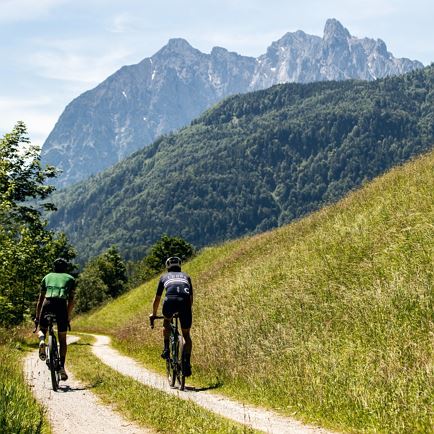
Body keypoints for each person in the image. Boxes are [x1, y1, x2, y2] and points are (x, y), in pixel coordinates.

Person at [150, 256, 193, 376]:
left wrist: (153, 314)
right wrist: (185, 311)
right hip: (184, 304)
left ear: (167, 267)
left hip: (169, 302)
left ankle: (166, 348)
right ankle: (186, 362)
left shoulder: (164, 277)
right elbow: (190, 299)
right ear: (179, 266)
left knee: (166, 322)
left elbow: (157, 298)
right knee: (186, 335)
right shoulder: (186, 276)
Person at [34, 258, 75, 381]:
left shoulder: (46, 277)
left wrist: (37, 318)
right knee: (62, 339)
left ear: (54, 267)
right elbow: (71, 301)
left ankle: (42, 341)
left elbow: (40, 300)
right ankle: (62, 367)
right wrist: (67, 317)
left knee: (42, 329)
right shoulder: (70, 279)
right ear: (65, 268)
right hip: (61, 305)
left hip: (47, 303)